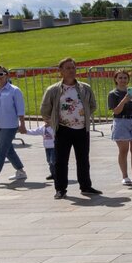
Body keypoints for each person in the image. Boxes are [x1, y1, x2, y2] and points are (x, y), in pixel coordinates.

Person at [41, 57, 100, 200]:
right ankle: (60, 189)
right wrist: (53, 122)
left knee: (83, 159)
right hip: (63, 129)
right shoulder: (54, 90)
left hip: (81, 129)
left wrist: (82, 115)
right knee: (61, 160)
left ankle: (86, 186)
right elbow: (45, 109)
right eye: (67, 68)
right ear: (60, 71)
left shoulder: (84, 88)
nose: (71, 71)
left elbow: (92, 105)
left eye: (73, 67)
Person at [108, 70, 132, 186]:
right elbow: (116, 111)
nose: (123, 80)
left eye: (125, 78)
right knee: (123, 150)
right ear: (116, 80)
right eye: (120, 78)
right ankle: (125, 176)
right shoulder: (113, 94)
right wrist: (124, 100)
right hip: (121, 121)